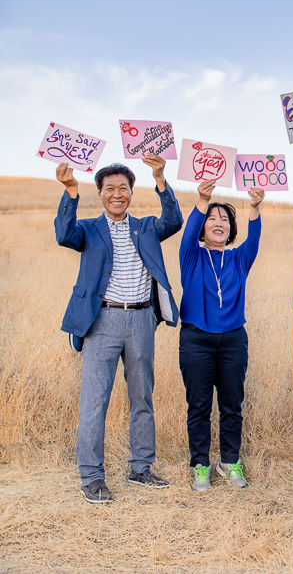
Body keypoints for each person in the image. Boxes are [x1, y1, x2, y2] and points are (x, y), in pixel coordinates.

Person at [54, 155, 183, 504]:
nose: (116, 194)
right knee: (95, 400)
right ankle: (92, 477)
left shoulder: (147, 227)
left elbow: (174, 220)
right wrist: (69, 192)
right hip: (102, 322)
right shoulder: (89, 229)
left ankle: (141, 468)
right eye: (109, 188)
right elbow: (63, 234)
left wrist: (160, 179)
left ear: (130, 192)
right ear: (100, 193)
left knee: (142, 397)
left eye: (122, 188)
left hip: (142, 320)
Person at [178, 180, 265, 491]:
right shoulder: (192, 256)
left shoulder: (240, 259)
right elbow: (188, 232)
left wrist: (254, 207)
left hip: (232, 341)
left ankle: (229, 461)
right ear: (204, 227)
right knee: (198, 405)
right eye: (212, 218)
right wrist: (203, 200)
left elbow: (254, 237)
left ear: (231, 229)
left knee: (232, 404)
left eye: (225, 219)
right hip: (195, 340)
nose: (218, 223)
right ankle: (200, 465)